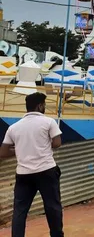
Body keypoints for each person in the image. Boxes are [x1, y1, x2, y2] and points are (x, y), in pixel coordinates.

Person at [0, 92, 64, 237]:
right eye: (44, 105)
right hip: (46, 171)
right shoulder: (48, 122)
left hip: (23, 174)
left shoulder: (14, 127)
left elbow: (3, 152)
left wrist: (22, 149)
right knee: (52, 207)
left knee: (20, 211)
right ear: (40, 105)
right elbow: (57, 143)